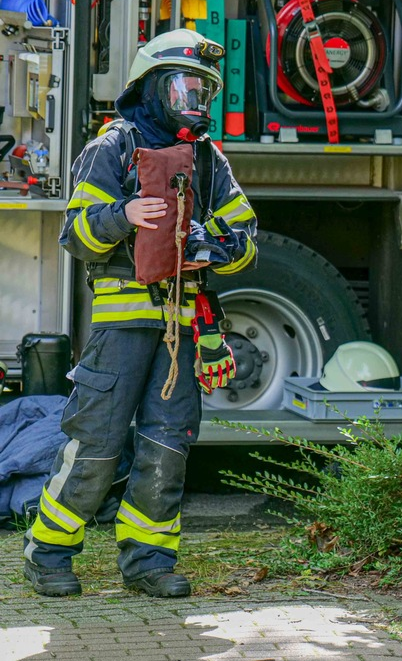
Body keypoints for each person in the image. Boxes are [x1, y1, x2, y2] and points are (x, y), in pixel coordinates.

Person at [23, 28, 256, 598]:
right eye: (184, 89)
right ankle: (48, 552)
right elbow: (76, 234)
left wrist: (211, 242)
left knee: (166, 447)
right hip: (122, 330)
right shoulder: (113, 147)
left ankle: (148, 562)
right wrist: (123, 214)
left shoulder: (208, 158)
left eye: (204, 92)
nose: (195, 103)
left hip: (182, 327)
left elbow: (246, 236)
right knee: (96, 443)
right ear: (150, 87)